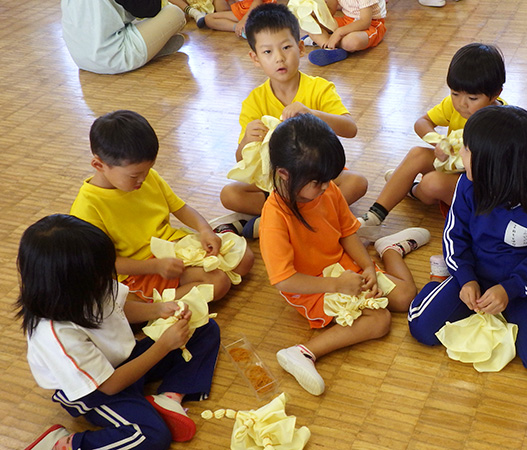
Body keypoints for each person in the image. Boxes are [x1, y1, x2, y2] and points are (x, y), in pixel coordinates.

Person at [260, 114, 430, 395]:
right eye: (318, 182)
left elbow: (347, 232)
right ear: (284, 174)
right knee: (379, 320)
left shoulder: (326, 190)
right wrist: (336, 285)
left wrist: (367, 267)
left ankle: (389, 250)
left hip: (343, 269)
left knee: (404, 297)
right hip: (311, 286)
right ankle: (301, 352)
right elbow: (284, 280)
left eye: (329, 179)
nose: (327, 187)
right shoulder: (275, 217)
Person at [19, 214, 221, 450]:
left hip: (127, 360)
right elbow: (109, 386)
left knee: (203, 327)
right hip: (94, 391)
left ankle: (168, 398)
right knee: (151, 436)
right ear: (69, 283)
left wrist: (159, 310)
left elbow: (119, 308)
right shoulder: (56, 334)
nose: (107, 278)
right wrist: (164, 346)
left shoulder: (91, 283)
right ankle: (63, 445)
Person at [407, 105, 527, 372]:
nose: (460, 155)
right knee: (422, 327)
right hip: (474, 276)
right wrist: (465, 278)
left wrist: (508, 290)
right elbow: (454, 236)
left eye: (467, 150)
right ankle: (440, 280)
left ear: (495, 163)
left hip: (520, 287)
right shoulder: (466, 185)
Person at [70, 110, 254, 302]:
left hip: (173, 247)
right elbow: (104, 265)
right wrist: (155, 267)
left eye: (147, 170)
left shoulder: (147, 177)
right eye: (134, 175)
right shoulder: (87, 207)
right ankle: (150, 307)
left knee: (244, 258)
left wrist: (205, 230)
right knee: (218, 283)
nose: (143, 179)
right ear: (99, 165)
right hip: (140, 269)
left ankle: (180, 290)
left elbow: (180, 208)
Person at [220, 3, 367, 239]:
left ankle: (275, 219)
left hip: (316, 174)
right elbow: (241, 160)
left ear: (300, 48)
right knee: (229, 194)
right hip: (278, 180)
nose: (279, 58)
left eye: (286, 47)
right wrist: (248, 138)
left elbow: (350, 129)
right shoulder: (254, 101)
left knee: (357, 183)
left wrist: (313, 113)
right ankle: (309, 216)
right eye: (267, 52)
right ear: (255, 58)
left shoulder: (318, 88)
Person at [358, 43, 506, 232]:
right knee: (417, 154)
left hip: (480, 186)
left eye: (473, 98)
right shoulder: (453, 105)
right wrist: (438, 141)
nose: (462, 104)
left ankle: (411, 189)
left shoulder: (501, 121)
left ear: (495, 94)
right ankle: (374, 215)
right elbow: (422, 122)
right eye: (455, 93)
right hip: (453, 167)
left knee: (431, 184)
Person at [61, 0, 194, 75]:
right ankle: (152, 48)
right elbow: (149, 9)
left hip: (79, 55)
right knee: (175, 13)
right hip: (110, 56)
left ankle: (153, 45)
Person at [302, 0, 387, 66]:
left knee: (351, 41)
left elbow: (365, 22)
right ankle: (330, 49)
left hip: (372, 24)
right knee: (309, 23)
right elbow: (330, 11)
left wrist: (339, 33)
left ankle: (323, 41)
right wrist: (315, 13)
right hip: (347, 20)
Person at [203, 0, 277, 36]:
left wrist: (244, 20)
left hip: (253, 10)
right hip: (244, 9)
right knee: (209, 18)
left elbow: (257, 2)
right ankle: (241, 29)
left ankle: (241, 28)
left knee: (209, 19)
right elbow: (221, 8)